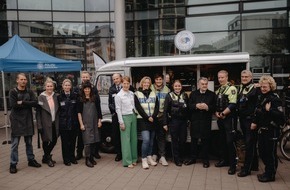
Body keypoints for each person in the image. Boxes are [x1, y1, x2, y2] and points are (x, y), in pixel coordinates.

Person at [251, 75, 284, 182]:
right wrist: (255, 122)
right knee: (262, 152)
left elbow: (281, 116)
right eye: (262, 87)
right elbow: (258, 111)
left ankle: (270, 175)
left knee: (270, 154)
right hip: (262, 129)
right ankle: (267, 172)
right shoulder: (262, 97)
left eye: (265, 87)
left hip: (272, 130)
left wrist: (269, 110)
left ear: (271, 86)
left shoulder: (275, 99)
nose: (263, 89)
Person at [9, 73, 41, 174]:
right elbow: (13, 105)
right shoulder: (13, 92)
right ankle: (13, 164)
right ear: (17, 81)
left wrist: (22, 102)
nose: (23, 81)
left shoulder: (30, 91)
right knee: (14, 144)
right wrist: (28, 103)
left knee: (29, 143)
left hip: (28, 120)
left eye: (25, 79)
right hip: (16, 121)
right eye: (21, 79)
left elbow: (35, 103)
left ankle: (31, 160)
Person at [185, 77, 216, 168]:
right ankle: (193, 158)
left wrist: (207, 107)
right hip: (195, 121)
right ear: (198, 84)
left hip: (206, 121)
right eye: (202, 84)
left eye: (206, 84)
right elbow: (189, 106)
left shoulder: (212, 94)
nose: (204, 86)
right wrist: (196, 105)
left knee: (205, 141)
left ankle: (205, 160)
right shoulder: (193, 94)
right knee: (193, 141)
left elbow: (214, 107)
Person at [236, 70, 260, 177]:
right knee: (250, 143)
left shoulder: (255, 89)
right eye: (242, 76)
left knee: (249, 145)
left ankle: (247, 169)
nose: (244, 78)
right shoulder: (241, 87)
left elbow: (258, 107)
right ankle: (254, 165)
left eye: (246, 76)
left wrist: (255, 121)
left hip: (251, 121)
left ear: (251, 77)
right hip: (243, 119)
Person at [215, 70, 238, 175]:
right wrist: (217, 113)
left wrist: (223, 114)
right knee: (222, 141)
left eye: (222, 77)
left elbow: (232, 104)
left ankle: (233, 165)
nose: (220, 79)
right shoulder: (219, 90)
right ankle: (224, 161)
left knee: (230, 142)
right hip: (221, 119)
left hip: (229, 119)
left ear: (227, 77)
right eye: (219, 77)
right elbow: (216, 104)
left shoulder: (232, 89)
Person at [75, 71, 101, 160]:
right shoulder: (77, 89)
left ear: (89, 78)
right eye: (83, 77)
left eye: (86, 77)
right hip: (83, 118)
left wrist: (99, 119)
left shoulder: (94, 89)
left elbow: (98, 105)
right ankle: (79, 153)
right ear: (81, 78)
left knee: (94, 137)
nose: (85, 78)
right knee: (82, 138)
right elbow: (78, 108)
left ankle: (93, 154)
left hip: (93, 118)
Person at [134, 76, 159, 169]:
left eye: (148, 83)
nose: (146, 84)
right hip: (143, 120)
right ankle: (144, 159)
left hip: (153, 119)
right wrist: (147, 117)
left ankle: (149, 157)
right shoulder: (137, 94)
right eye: (145, 82)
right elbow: (138, 108)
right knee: (146, 139)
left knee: (152, 141)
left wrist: (153, 116)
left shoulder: (153, 93)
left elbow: (157, 106)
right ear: (142, 83)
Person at [163, 80, 189, 166]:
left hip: (183, 122)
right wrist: (165, 123)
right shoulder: (169, 96)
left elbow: (188, 109)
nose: (177, 88)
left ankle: (182, 157)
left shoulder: (184, 95)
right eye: (176, 86)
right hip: (173, 121)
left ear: (181, 87)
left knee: (183, 140)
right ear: (173, 87)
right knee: (175, 141)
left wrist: (188, 120)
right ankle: (176, 159)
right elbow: (165, 110)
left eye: (179, 86)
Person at [115, 76, 138, 168]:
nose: (126, 85)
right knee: (126, 140)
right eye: (124, 83)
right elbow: (118, 109)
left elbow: (134, 105)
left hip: (133, 115)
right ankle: (127, 161)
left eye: (128, 83)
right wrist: (121, 122)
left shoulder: (132, 93)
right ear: (121, 84)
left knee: (134, 139)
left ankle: (134, 159)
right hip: (125, 117)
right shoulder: (118, 96)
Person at [36, 78, 60, 167]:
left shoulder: (56, 96)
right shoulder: (41, 97)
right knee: (46, 141)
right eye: (48, 86)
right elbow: (38, 113)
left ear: (53, 87)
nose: (49, 88)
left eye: (51, 86)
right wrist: (39, 125)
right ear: (45, 87)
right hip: (45, 123)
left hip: (54, 122)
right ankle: (48, 158)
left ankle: (45, 156)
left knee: (54, 140)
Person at [57, 79, 79, 166]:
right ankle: (66, 159)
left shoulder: (75, 96)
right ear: (63, 86)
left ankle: (72, 157)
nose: (67, 87)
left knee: (73, 141)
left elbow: (77, 110)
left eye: (68, 85)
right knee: (65, 142)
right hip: (64, 124)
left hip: (73, 123)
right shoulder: (59, 97)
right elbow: (58, 111)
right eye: (65, 85)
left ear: (71, 86)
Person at [150, 73, 170, 166]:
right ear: (154, 80)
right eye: (157, 79)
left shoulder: (167, 89)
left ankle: (162, 156)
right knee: (153, 136)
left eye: (160, 79)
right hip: (152, 116)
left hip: (162, 116)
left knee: (161, 136)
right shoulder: (150, 88)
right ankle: (154, 155)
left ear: (163, 80)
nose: (158, 81)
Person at [108, 73, 124, 162]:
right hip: (116, 115)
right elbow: (110, 103)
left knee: (124, 135)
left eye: (117, 78)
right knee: (116, 135)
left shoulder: (125, 86)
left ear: (120, 78)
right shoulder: (111, 89)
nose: (116, 80)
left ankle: (125, 152)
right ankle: (119, 153)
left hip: (125, 114)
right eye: (114, 79)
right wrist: (115, 112)